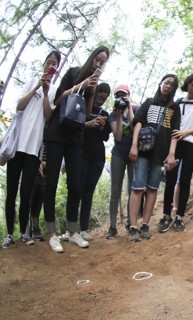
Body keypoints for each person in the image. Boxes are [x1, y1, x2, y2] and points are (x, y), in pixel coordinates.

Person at [43, 45, 109, 253]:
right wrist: (80, 85)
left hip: (76, 137)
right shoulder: (73, 72)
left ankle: (72, 232)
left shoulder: (94, 86)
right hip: (57, 132)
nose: (98, 64)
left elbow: (87, 113)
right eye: (97, 59)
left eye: (102, 62)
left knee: (76, 184)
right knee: (51, 182)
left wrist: (91, 92)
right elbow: (58, 99)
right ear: (91, 58)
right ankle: (52, 233)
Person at [2, 50, 61, 248]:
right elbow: (19, 106)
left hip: (33, 149)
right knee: (11, 192)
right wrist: (36, 85)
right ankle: (9, 234)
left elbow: (48, 115)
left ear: (56, 70)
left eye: (54, 64)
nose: (50, 66)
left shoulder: (53, 90)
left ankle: (24, 233)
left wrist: (45, 93)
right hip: (17, 146)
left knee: (26, 191)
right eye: (49, 62)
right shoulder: (30, 82)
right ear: (44, 64)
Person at [128, 74, 180, 242]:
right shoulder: (149, 102)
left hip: (161, 154)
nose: (168, 86)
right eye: (166, 82)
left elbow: (175, 132)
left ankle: (145, 225)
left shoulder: (174, 108)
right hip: (144, 151)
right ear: (160, 84)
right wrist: (134, 145)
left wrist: (172, 153)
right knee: (138, 187)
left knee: (152, 188)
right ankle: (133, 226)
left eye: (172, 85)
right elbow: (138, 123)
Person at [159, 72, 193, 233]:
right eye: (192, 84)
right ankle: (166, 215)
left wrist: (185, 133)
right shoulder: (177, 103)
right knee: (170, 179)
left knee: (185, 179)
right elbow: (170, 125)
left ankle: (179, 216)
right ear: (187, 84)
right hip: (175, 144)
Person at [76, 82, 112, 240]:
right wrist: (89, 122)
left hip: (97, 157)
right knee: (76, 190)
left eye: (104, 99)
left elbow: (105, 137)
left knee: (88, 193)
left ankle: (83, 229)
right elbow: (75, 126)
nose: (100, 101)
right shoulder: (84, 107)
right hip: (81, 154)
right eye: (99, 97)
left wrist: (101, 126)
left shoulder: (105, 113)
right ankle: (71, 228)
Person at [106, 84, 135, 239]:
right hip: (118, 153)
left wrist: (129, 106)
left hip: (133, 153)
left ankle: (130, 223)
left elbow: (133, 124)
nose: (120, 97)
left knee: (132, 190)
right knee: (115, 191)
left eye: (123, 95)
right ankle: (112, 226)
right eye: (118, 95)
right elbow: (117, 137)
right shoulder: (113, 115)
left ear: (129, 95)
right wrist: (117, 116)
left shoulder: (135, 109)